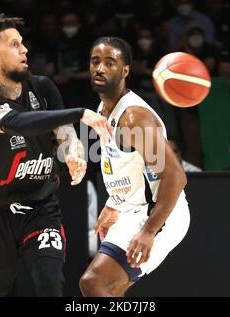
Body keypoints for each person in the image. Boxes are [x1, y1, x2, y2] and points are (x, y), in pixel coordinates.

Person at [0, 15, 112, 297]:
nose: (25, 49)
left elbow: (64, 134)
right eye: (15, 44)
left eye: (23, 42)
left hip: (41, 209)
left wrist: (73, 152)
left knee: (49, 282)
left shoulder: (42, 88)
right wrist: (79, 112)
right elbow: (17, 122)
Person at [79, 37, 190, 297]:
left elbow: (175, 176)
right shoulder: (104, 109)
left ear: (125, 70)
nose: (100, 68)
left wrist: (149, 231)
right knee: (111, 289)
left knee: (94, 282)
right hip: (131, 209)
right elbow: (124, 164)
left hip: (161, 213)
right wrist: (113, 203)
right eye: (95, 61)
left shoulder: (134, 118)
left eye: (109, 62)